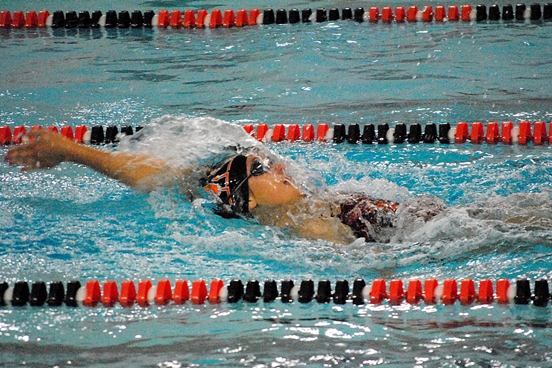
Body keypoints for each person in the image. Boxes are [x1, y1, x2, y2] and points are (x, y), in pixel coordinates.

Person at [4, 128, 442, 244]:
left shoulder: (312, 206)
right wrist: (73, 152)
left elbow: (152, 173)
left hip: (411, 219)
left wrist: (72, 150)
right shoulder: (309, 228)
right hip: (410, 231)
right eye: (262, 168)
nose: (279, 166)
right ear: (246, 201)